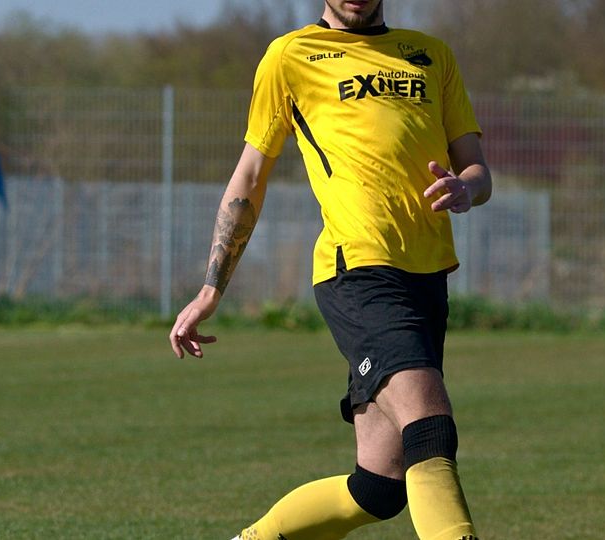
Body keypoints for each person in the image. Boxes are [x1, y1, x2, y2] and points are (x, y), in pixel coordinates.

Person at [168, 1, 492, 538]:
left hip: (427, 276)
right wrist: (211, 288)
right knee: (430, 426)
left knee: (380, 486)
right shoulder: (291, 56)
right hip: (358, 271)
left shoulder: (432, 55)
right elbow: (250, 177)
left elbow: (477, 169)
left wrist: (467, 187)